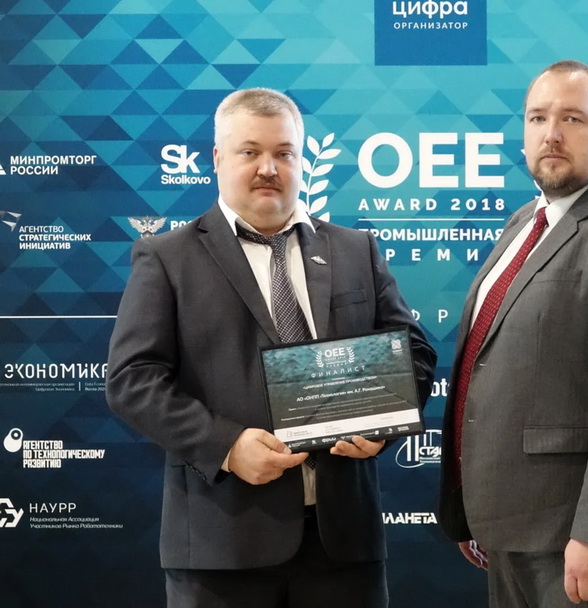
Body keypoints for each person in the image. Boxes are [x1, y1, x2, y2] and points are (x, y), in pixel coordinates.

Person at [106, 87, 436, 608]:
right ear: (218, 158)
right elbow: (132, 379)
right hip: (221, 546)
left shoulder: (355, 249)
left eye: (284, 153)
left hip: (344, 547)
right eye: (250, 152)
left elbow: (413, 352)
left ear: (302, 161)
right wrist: (226, 446)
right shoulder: (166, 257)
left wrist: (381, 425)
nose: (268, 168)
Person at [438, 60, 588, 607]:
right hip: (508, 529)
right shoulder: (524, 223)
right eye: (537, 118)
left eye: (572, 118)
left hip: (576, 540)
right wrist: (474, 509)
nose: (551, 134)